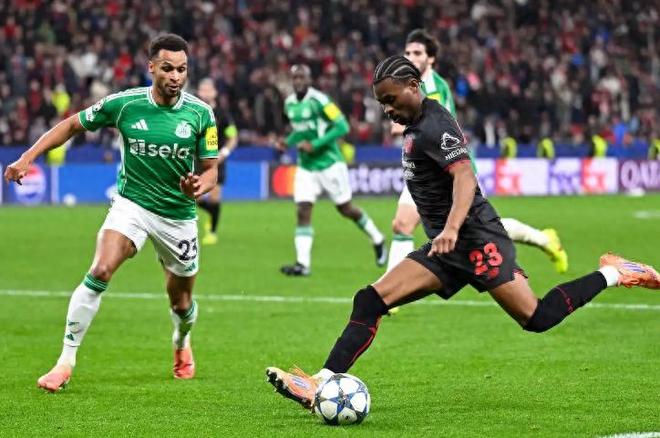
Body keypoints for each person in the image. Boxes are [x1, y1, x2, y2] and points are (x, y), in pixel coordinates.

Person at [265, 56, 659, 408]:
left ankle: (614, 272)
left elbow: (465, 176)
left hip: (476, 240)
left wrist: (452, 228)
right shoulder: (414, 125)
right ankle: (320, 382)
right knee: (370, 300)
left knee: (537, 317)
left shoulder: (434, 124)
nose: (387, 109)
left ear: (413, 86)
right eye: (382, 102)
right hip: (445, 249)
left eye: (391, 99)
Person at [4, 34, 219, 391]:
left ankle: (181, 341)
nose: (176, 76)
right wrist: (28, 157)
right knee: (100, 269)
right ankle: (64, 362)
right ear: (151, 67)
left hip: (178, 216)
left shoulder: (201, 114)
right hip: (131, 205)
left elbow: (211, 170)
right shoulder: (125, 105)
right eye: (168, 68)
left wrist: (199, 186)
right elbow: (72, 124)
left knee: (181, 302)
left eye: (182, 70)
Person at [386, 29, 568, 277]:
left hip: (448, 169)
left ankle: (543, 239)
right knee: (402, 224)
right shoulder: (412, 86)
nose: (411, 57)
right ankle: (389, 291)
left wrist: (401, 121)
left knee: (481, 230)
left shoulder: (434, 87)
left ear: (431, 59)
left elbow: (418, 125)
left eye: (417, 53)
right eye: (407, 53)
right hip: (426, 168)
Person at [276, 64, 386, 277]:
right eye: (295, 78)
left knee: (346, 209)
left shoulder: (320, 100)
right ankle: (302, 264)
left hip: (330, 165)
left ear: (309, 80)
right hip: (306, 167)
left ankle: (377, 238)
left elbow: (342, 126)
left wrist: (315, 144)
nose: (298, 81)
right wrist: (287, 142)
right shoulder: (289, 104)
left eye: (302, 77)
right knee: (303, 210)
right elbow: (301, 132)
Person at [195, 78, 238, 246]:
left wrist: (223, 153)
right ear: (199, 92)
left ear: (215, 93)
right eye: (203, 89)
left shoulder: (222, 113)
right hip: (198, 160)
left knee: (214, 197)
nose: (206, 93)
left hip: (217, 161)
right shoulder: (194, 111)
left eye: (209, 90)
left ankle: (212, 232)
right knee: (195, 198)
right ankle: (211, 214)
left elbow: (233, 137)